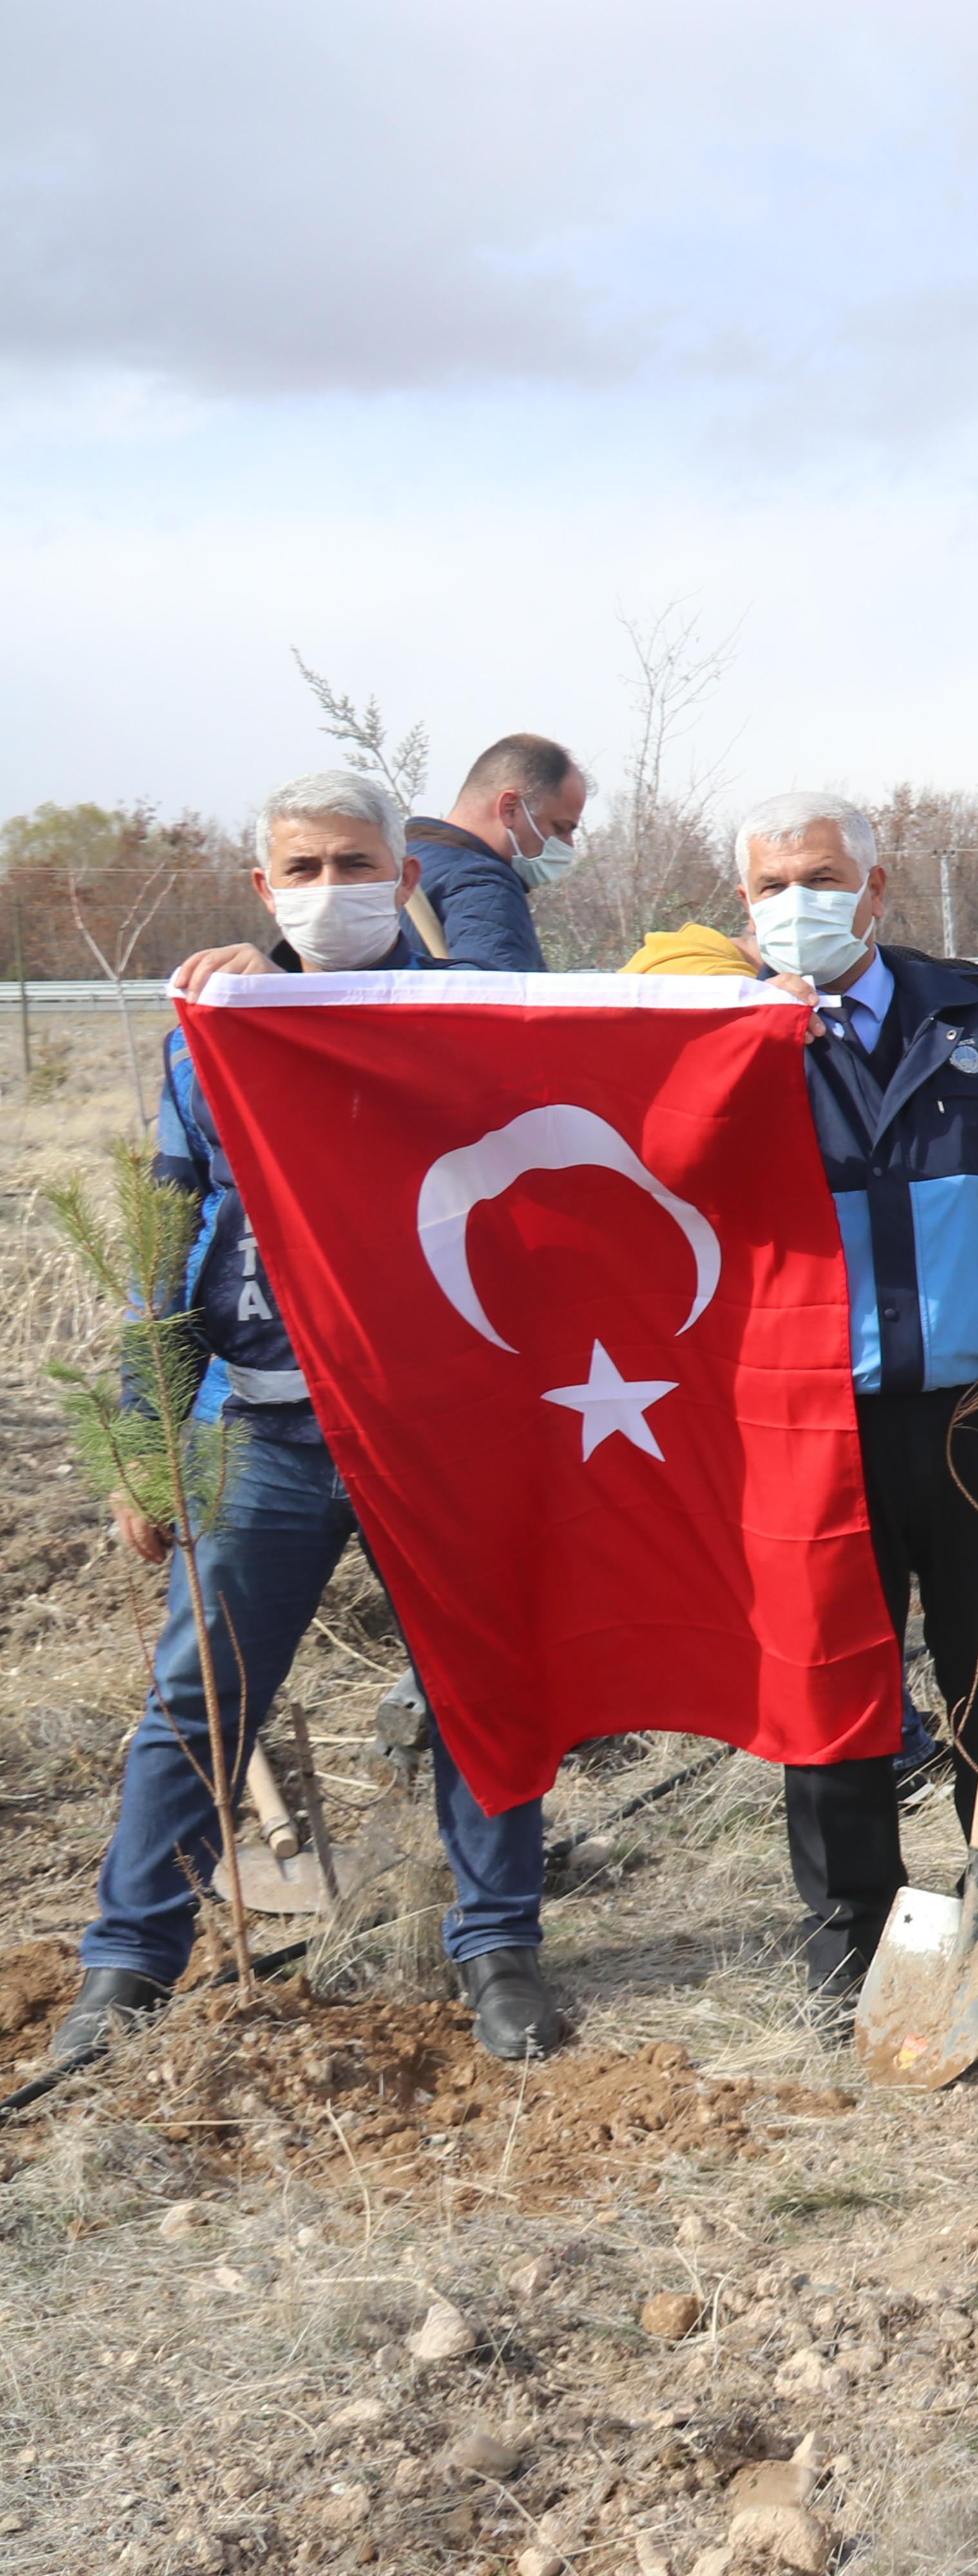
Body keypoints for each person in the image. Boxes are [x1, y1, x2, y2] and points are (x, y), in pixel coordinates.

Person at [42, 771, 562, 2074]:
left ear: (404, 874)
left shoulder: (477, 1019)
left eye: (355, 863)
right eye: (303, 869)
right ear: (266, 888)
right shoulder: (214, 1029)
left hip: (445, 1423)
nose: (332, 888)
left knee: (481, 1688)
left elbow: (615, 1069)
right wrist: (145, 1440)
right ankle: (130, 1961)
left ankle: (499, 1946)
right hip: (264, 1427)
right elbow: (164, 1244)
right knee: (197, 1698)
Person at [735, 791, 978, 2038]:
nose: (798, 902)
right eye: (770, 885)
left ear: (876, 883)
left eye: (822, 875)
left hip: (969, 1408)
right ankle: (846, 1918)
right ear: (741, 904)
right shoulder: (723, 1041)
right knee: (831, 1678)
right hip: (811, 1421)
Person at [403, 735, 593, 974]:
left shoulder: (402, 865)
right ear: (510, 809)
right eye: (561, 828)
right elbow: (497, 1003)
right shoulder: (483, 888)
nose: (569, 846)